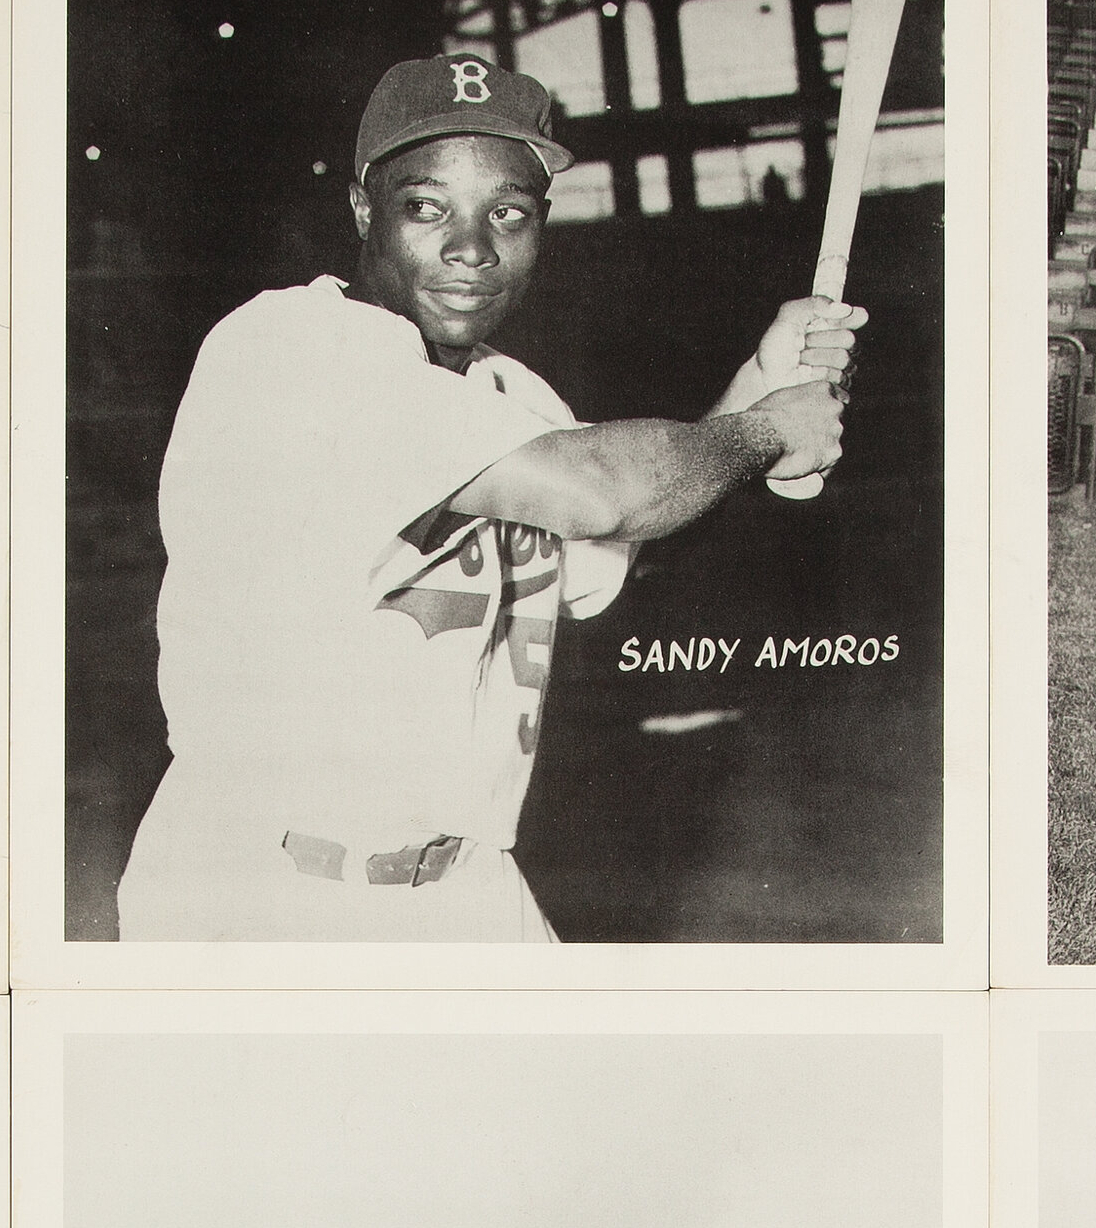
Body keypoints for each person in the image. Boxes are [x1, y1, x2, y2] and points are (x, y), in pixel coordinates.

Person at [115, 52, 860, 941]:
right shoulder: (290, 349)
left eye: (509, 213)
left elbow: (622, 534)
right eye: (426, 208)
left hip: (467, 883)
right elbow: (603, 495)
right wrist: (772, 430)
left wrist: (755, 387)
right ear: (362, 210)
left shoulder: (518, 399)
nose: (472, 248)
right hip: (262, 893)